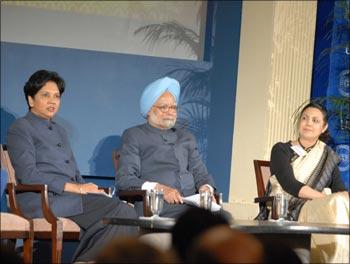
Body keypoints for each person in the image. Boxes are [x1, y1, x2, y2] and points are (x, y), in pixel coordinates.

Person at [6, 70, 138, 262]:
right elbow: (28, 174)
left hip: (69, 199)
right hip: (42, 200)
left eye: (57, 96)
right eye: (45, 95)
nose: (52, 101)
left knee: (125, 212)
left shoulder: (60, 130)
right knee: (121, 212)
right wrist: (76, 188)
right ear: (31, 99)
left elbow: (75, 173)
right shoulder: (21, 127)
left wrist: (91, 191)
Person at [116, 76, 230, 219]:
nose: (170, 111)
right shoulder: (134, 135)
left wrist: (205, 189)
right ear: (149, 110)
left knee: (225, 218)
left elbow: (201, 174)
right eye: (164, 107)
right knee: (201, 221)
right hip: (159, 206)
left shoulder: (186, 137)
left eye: (173, 107)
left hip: (192, 204)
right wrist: (160, 189)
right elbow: (125, 179)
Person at [256, 102, 349, 263]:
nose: (308, 123)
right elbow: (289, 184)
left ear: (324, 127)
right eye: (305, 118)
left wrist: (335, 200)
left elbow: (339, 190)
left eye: (315, 120)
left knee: (341, 200)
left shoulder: (328, 155)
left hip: (318, 212)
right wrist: (326, 199)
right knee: (336, 203)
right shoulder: (281, 149)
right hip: (286, 208)